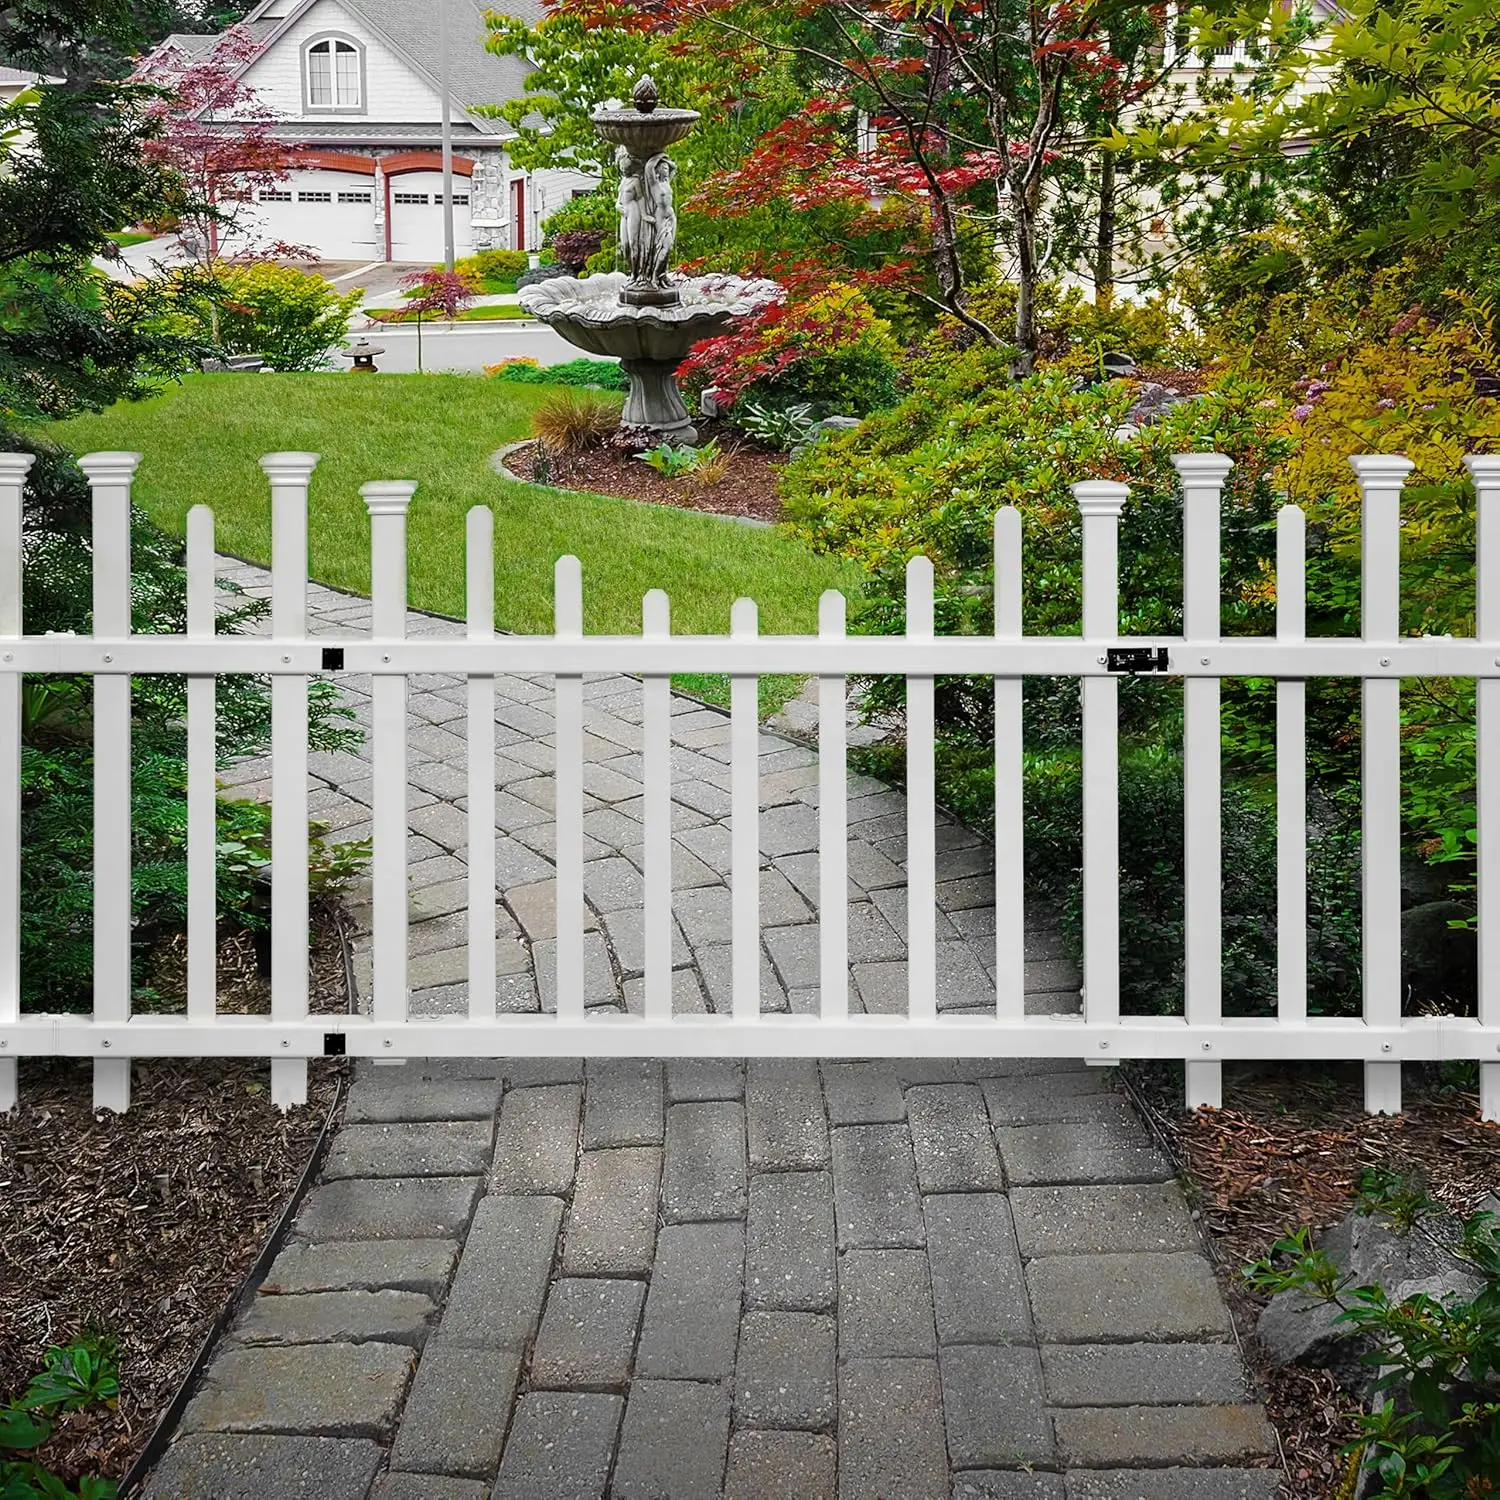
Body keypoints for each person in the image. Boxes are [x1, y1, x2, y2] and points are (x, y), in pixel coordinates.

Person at [615, 146, 649, 281]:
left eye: (625, 168)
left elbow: (640, 198)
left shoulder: (635, 181)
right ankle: (632, 271)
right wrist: (617, 205)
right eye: (622, 168)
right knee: (625, 245)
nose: (623, 170)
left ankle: (637, 274)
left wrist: (645, 215)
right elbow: (619, 199)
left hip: (634, 210)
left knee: (634, 242)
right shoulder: (623, 182)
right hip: (624, 212)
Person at [643, 153, 676, 287]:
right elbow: (648, 169)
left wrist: (666, 161)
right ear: (658, 170)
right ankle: (654, 278)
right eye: (663, 167)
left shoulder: (667, 182)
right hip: (660, 217)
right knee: (663, 248)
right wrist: (658, 157)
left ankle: (663, 275)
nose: (666, 169)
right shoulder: (655, 185)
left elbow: (675, 168)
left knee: (670, 246)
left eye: (666, 167)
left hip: (671, 217)